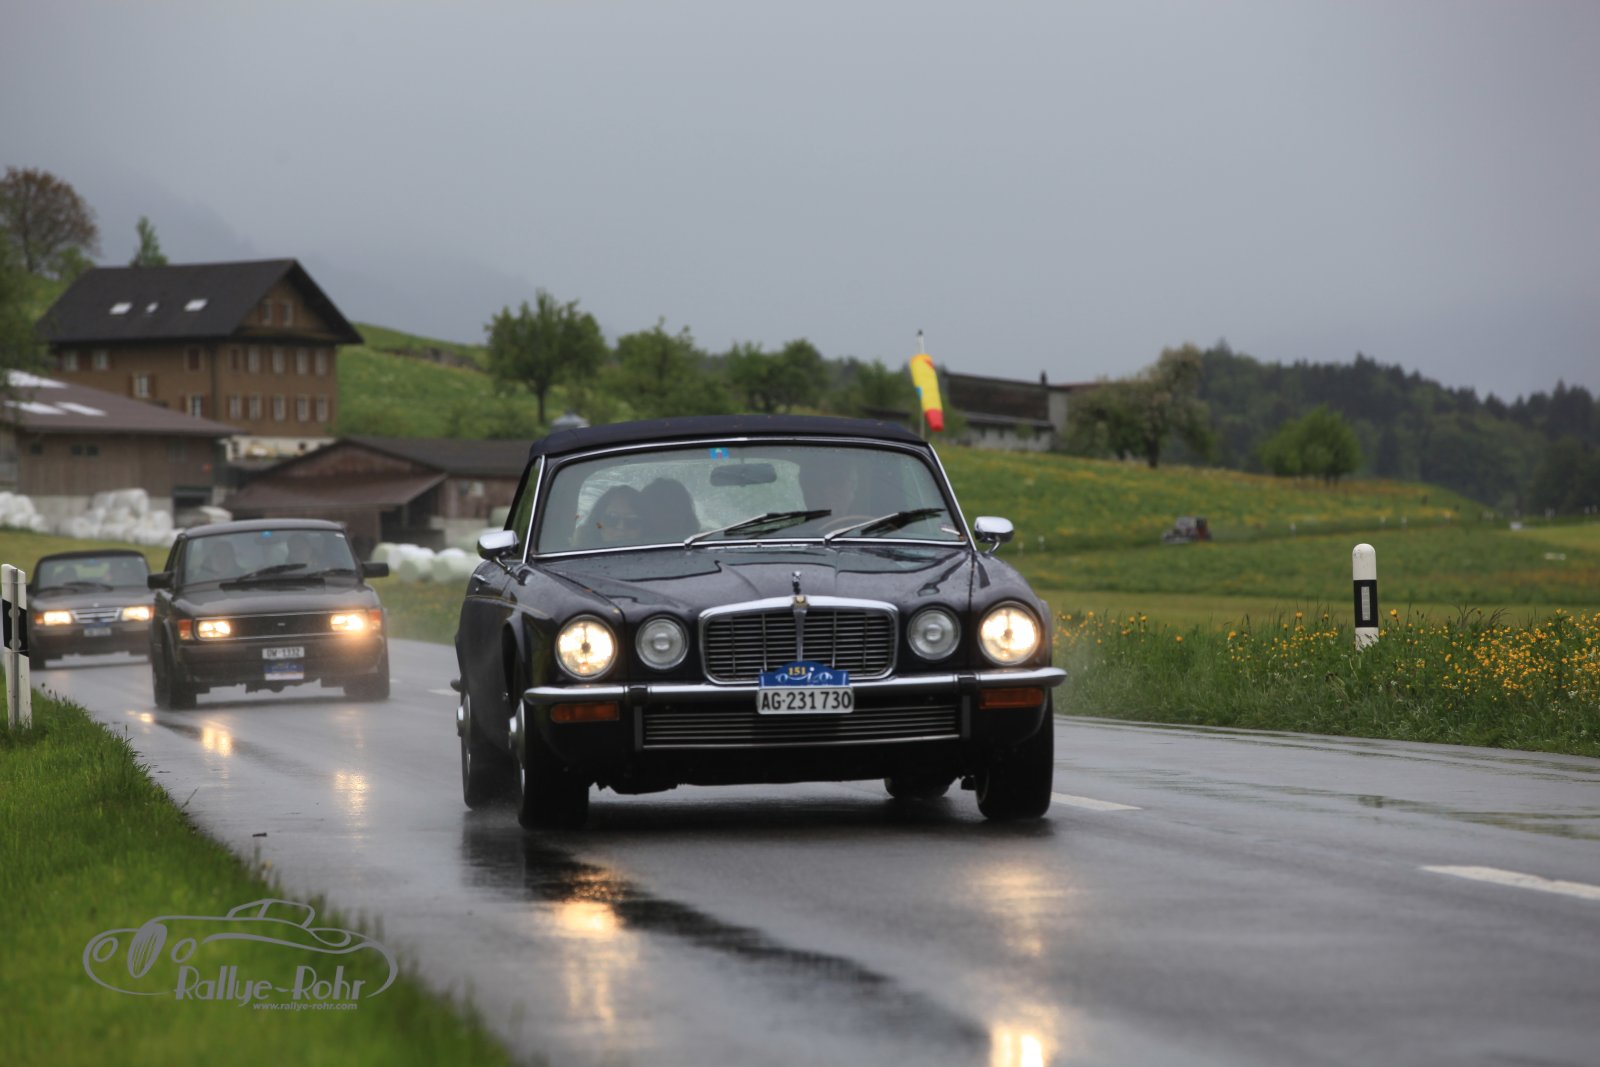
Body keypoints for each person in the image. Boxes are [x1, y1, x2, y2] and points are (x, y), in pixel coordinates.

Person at [578, 485, 645, 547]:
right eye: (611, 519)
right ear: (598, 523)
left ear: (644, 526)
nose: (620, 528)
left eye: (632, 521)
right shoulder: (580, 552)